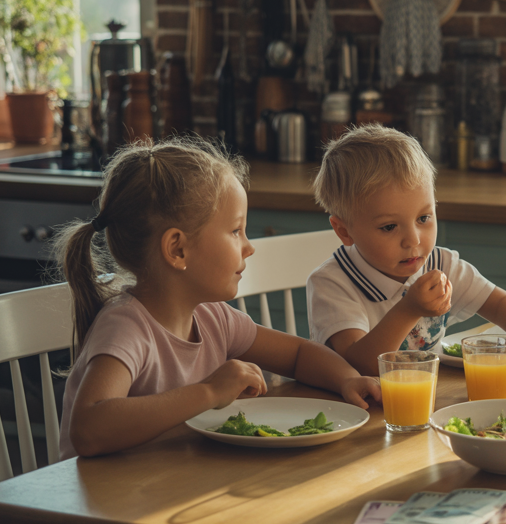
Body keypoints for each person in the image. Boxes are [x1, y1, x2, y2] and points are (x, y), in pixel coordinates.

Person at [55, 138, 380, 460]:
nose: (248, 247)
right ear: (177, 249)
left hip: (169, 486)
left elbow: (298, 355)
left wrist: (348, 379)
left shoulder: (214, 318)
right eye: (236, 231)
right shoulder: (126, 327)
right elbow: (88, 430)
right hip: (106, 501)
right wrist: (209, 392)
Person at [307, 124, 506, 377]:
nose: (413, 240)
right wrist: (409, 309)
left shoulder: (440, 263)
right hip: (355, 414)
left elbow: (500, 304)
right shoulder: (332, 284)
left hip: (424, 401)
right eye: (389, 227)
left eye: (423, 219)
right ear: (344, 231)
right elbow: (361, 366)